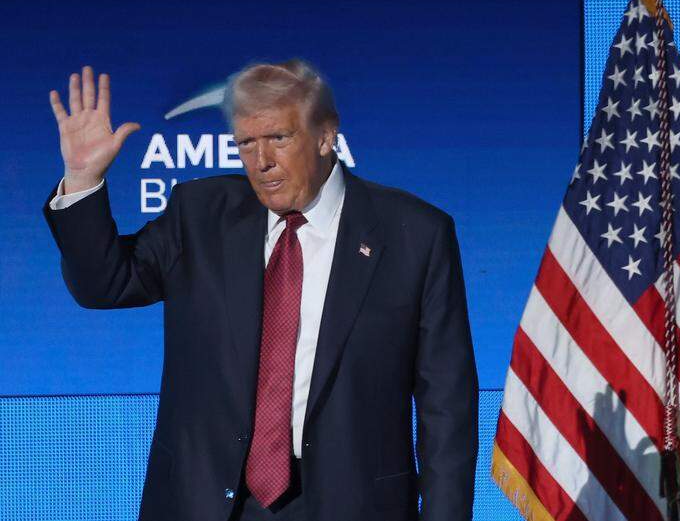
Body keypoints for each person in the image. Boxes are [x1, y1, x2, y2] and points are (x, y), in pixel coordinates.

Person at [43, 62, 477, 521]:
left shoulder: (414, 235)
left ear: (326, 136)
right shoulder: (201, 214)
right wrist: (83, 179)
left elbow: (445, 403)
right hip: (207, 502)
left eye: (279, 139)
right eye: (246, 143)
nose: (261, 161)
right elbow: (104, 284)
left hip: (351, 503)